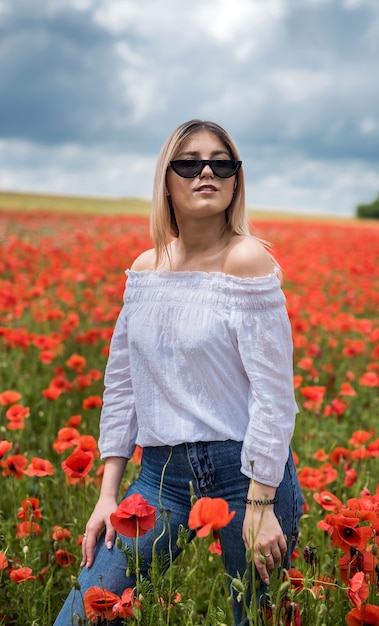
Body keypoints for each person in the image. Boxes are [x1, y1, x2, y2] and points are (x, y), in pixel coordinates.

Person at [54, 119, 304, 625]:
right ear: (166, 179)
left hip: (245, 477)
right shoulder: (145, 270)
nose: (206, 172)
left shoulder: (247, 261)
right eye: (189, 163)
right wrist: (107, 495)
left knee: (250, 619)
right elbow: (122, 385)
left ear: (236, 179)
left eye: (221, 162)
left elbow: (274, 398)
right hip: (160, 478)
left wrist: (260, 505)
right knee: (84, 615)